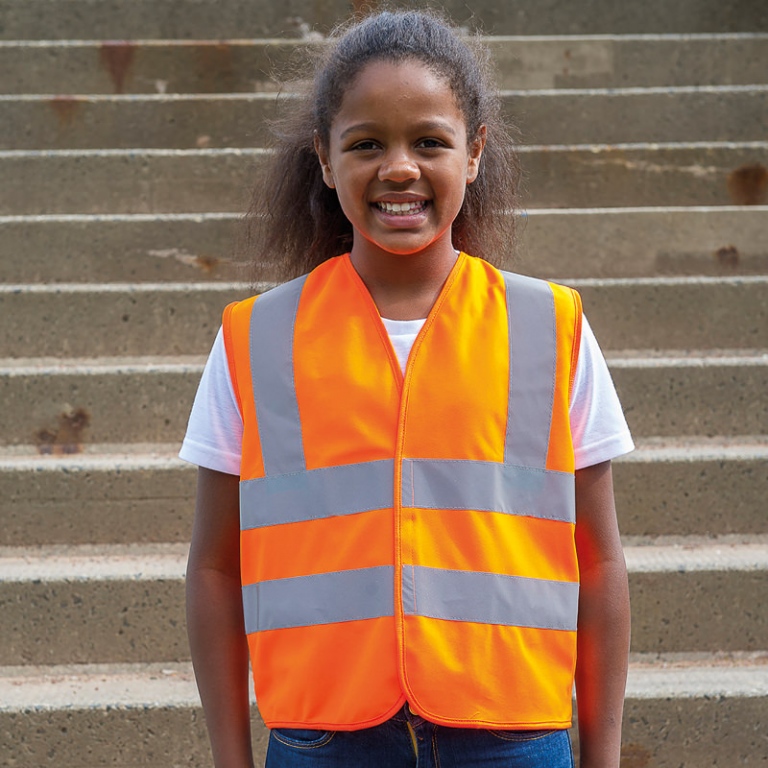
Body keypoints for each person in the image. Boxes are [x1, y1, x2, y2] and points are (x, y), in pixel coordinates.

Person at [181, 10, 633, 768]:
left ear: (476, 151)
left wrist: (604, 754)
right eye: (366, 144)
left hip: (513, 737)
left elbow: (602, 562)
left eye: (429, 140)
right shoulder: (254, 338)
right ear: (324, 160)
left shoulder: (551, 326)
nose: (398, 168)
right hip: (322, 740)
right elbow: (214, 567)